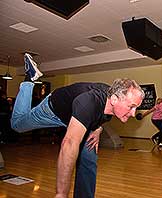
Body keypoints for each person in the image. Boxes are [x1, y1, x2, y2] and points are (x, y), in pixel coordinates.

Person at [10, 53, 145, 198]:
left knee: (89, 156)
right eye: (131, 107)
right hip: (52, 111)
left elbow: (103, 114)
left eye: (135, 108)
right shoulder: (89, 102)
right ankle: (29, 80)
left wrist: (98, 129)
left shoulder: (112, 103)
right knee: (17, 124)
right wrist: (61, 193)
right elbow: (69, 144)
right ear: (114, 99)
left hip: (77, 117)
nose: (133, 113)